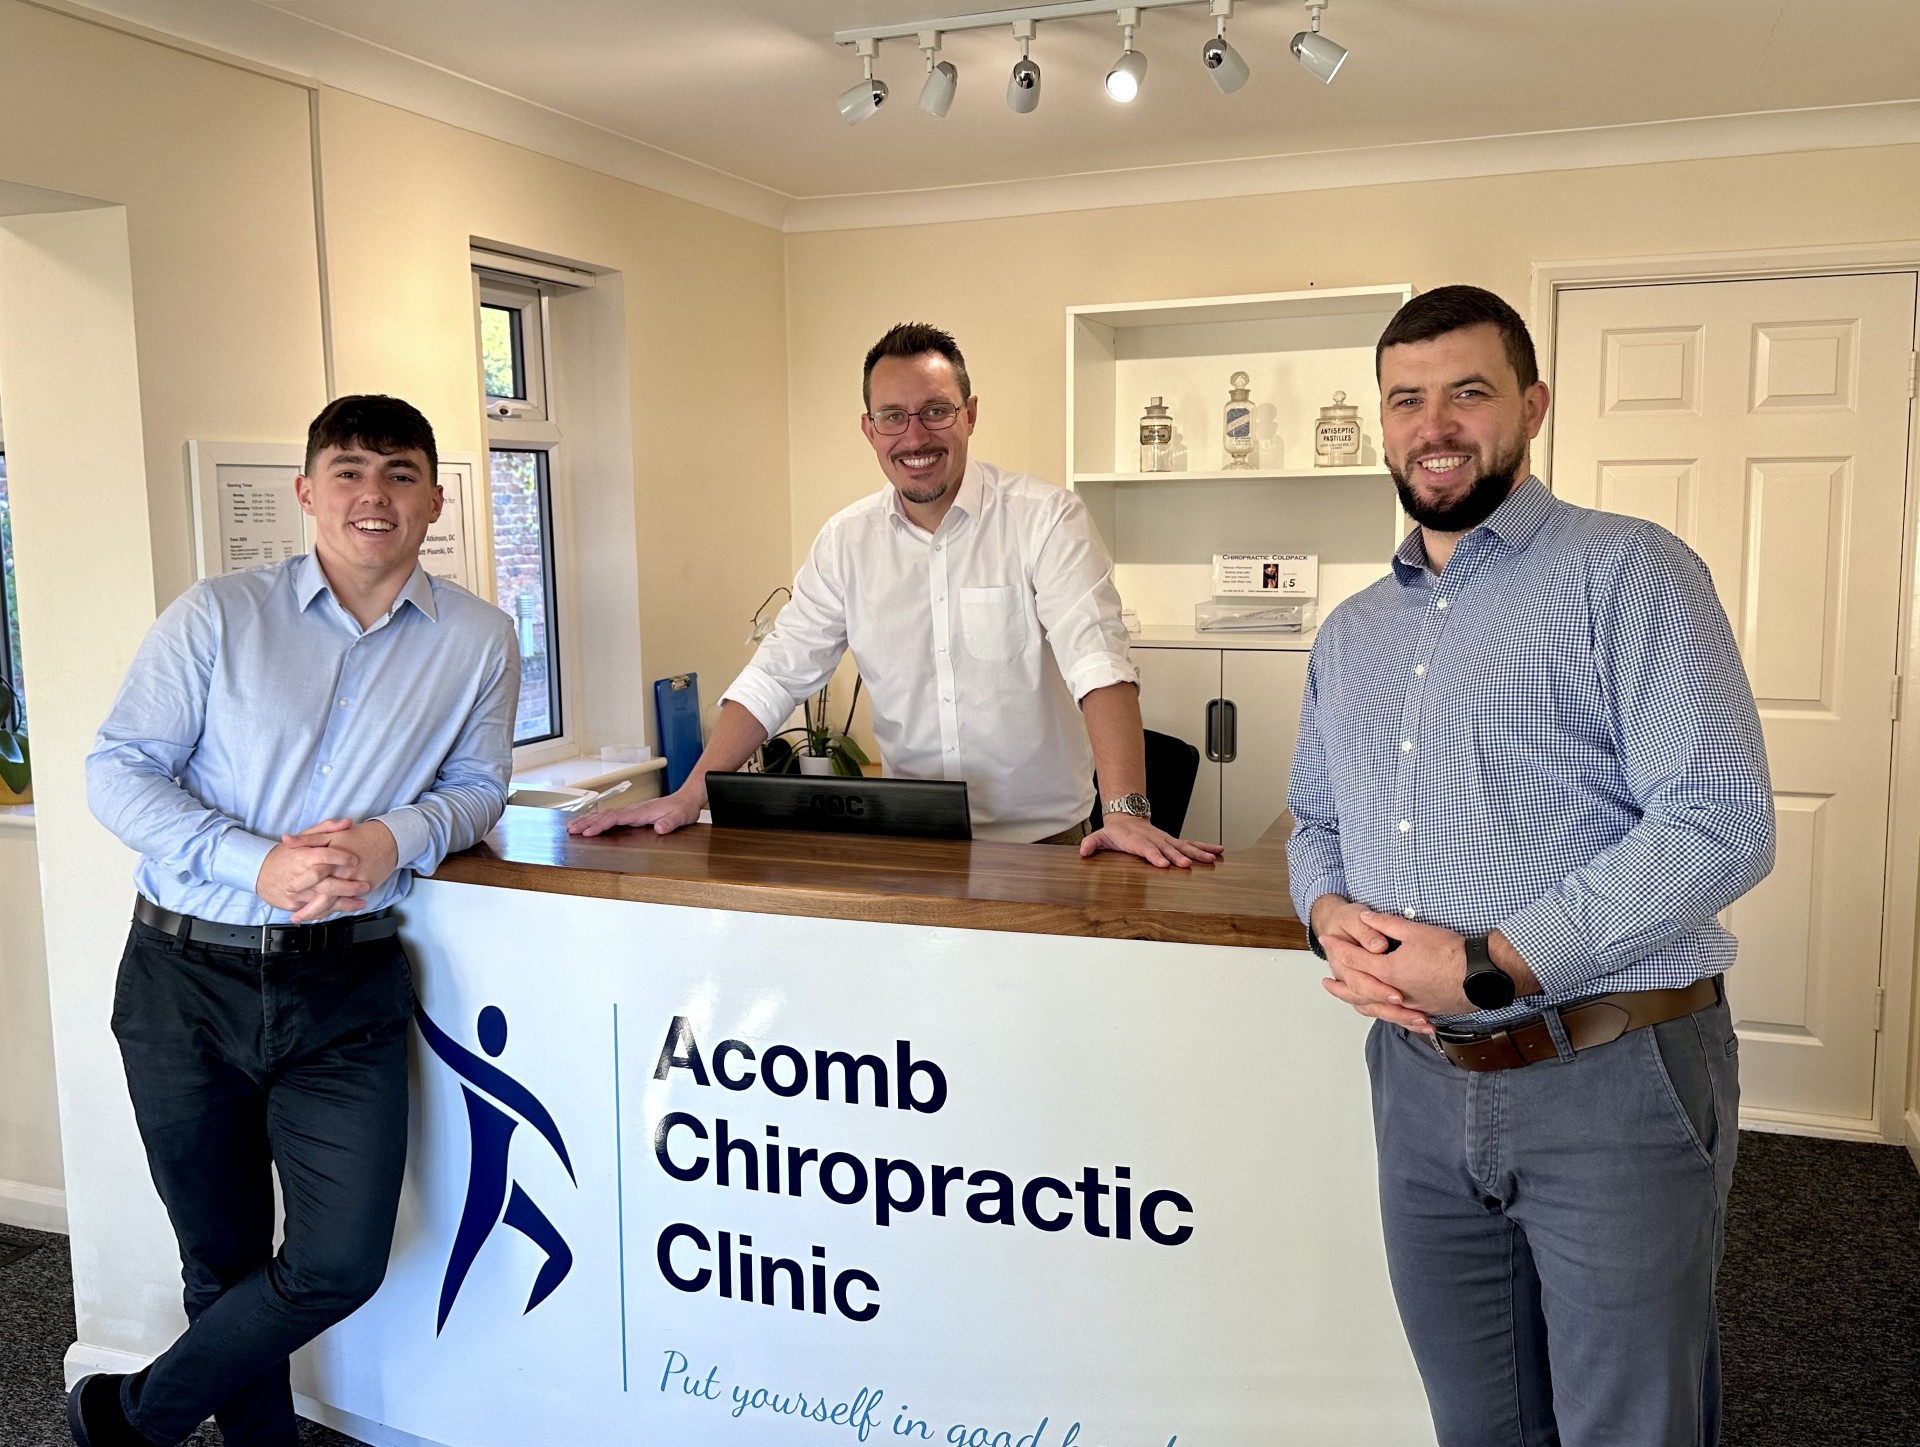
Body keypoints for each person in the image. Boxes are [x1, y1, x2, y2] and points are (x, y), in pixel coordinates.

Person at [1286, 286, 1774, 1447]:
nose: (1433, 424)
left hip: (1611, 1074)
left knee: (1632, 1425)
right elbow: (1311, 819)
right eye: (1406, 399)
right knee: (1480, 1425)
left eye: (1468, 391)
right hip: (1416, 1084)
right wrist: (1326, 912)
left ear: (1533, 405)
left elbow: (1720, 820)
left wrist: (1497, 964)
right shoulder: (1353, 629)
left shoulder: (1630, 573)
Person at [75, 395, 519, 1447]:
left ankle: (128, 1418)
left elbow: (478, 789)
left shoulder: (478, 637)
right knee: (220, 1262)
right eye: (352, 470)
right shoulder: (218, 614)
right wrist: (254, 862)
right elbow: (117, 769)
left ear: (435, 500)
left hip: (344, 985)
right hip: (183, 978)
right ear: (307, 493)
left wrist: (393, 838)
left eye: (402, 473)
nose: (377, 494)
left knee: (336, 1263)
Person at [576, 322, 1220, 866]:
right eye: (893, 416)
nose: (915, 436)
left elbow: (1096, 661)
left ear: (969, 414)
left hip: (1046, 845)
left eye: (936, 410)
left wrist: (1128, 809)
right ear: (869, 428)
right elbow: (777, 673)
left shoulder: (1045, 519)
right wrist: (690, 795)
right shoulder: (845, 542)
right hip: (917, 847)